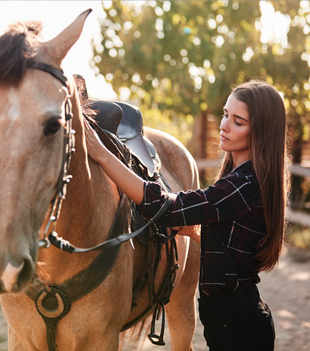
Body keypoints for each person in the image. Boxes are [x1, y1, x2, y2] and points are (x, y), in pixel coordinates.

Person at [84, 80, 289, 351]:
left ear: (261, 131)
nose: (224, 126)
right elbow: (237, 253)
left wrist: (101, 154)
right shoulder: (243, 179)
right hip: (233, 320)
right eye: (226, 115)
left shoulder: (244, 184)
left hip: (238, 327)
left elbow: (163, 205)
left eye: (239, 121)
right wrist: (197, 234)